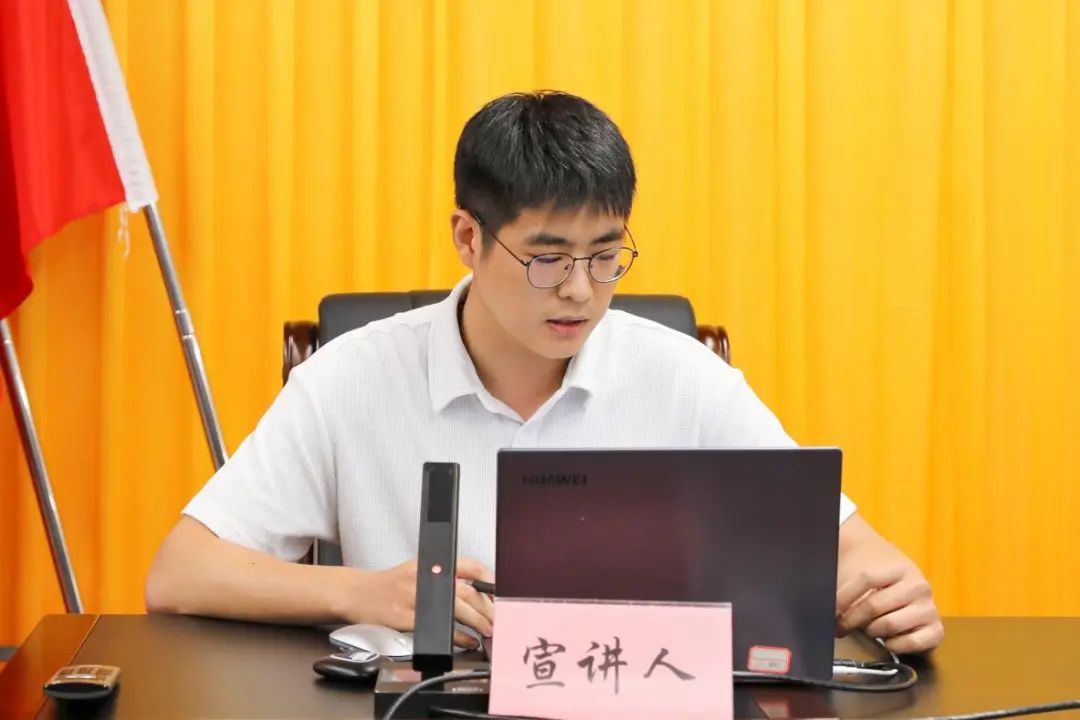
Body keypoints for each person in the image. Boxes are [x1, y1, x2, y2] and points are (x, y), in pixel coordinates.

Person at [146, 91, 943, 654]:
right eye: (548, 258)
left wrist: (889, 590)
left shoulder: (681, 375)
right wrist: (360, 593)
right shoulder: (351, 377)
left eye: (606, 255)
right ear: (469, 237)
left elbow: (852, 550)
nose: (580, 291)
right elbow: (182, 572)